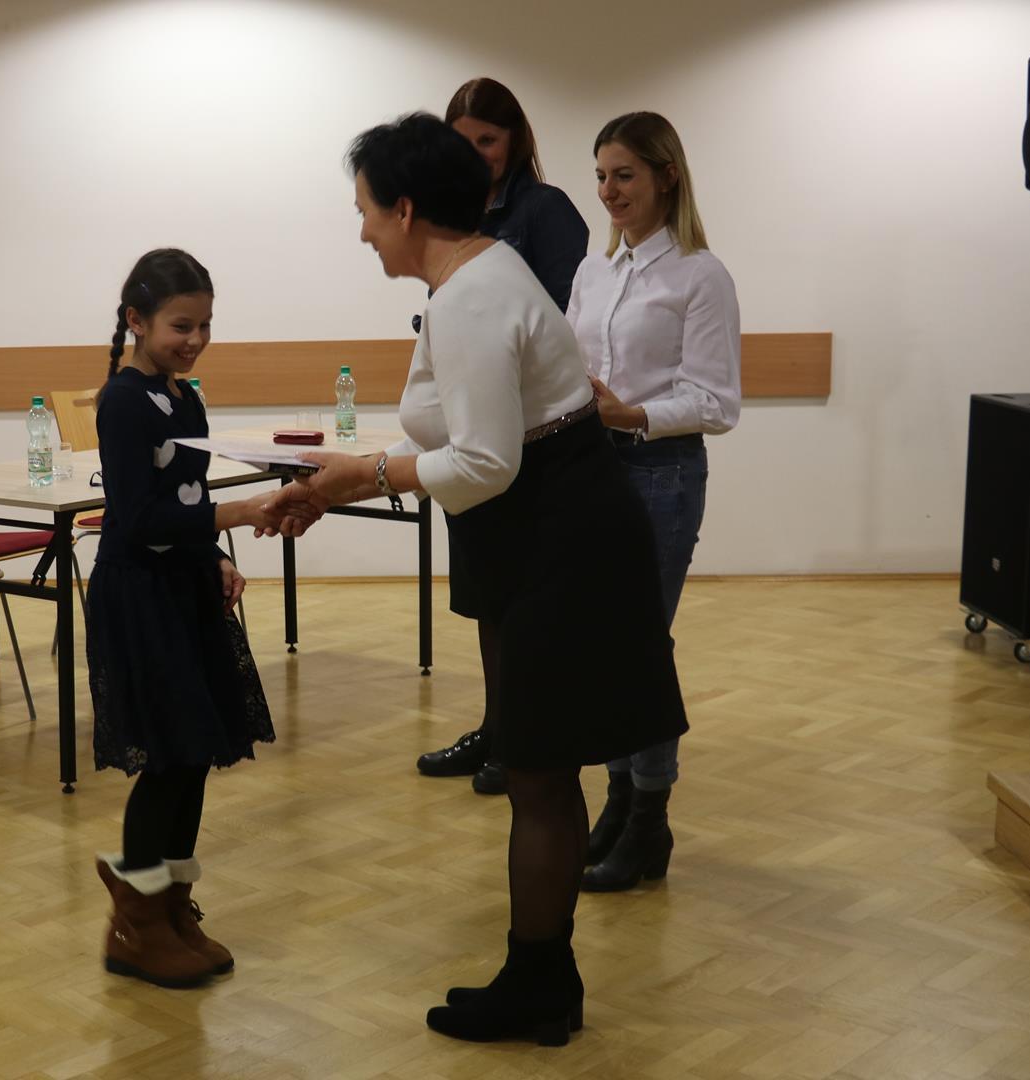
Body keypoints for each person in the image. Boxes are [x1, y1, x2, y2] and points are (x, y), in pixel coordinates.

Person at [268, 114, 687, 1045]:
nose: (362, 231)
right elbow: (458, 432)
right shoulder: (474, 276)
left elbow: (485, 463)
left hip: (558, 540)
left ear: (406, 208)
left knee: (537, 773)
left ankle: (538, 984)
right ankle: (547, 980)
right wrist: (345, 480)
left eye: (366, 211)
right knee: (542, 768)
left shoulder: (470, 296)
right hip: (551, 530)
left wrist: (363, 475)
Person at [88, 248, 309, 989]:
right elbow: (137, 517)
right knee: (167, 756)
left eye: (206, 325)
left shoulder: (183, 399)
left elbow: (185, 497)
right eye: (181, 326)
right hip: (139, 597)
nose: (196, 339)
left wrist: (213, 555)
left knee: (194, 754)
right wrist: (240, 513)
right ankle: (135, 924)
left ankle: (171, 909)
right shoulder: (122, 403)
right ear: (136, 321)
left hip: (182, 586)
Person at [565, 113, 741, 893]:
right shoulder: (594, 271)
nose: (609, 191)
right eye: (601, 176)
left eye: (624, 175)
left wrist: (630, 413)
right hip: (592, 473)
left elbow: (717, 401)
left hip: (660, 472)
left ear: (667, 176)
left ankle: (649, 819)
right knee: (603, 648)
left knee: (639, 647)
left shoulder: (701, 276)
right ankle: (618, 802)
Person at [417, 77, 591, 796]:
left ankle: (525, 738)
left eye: (487, 140)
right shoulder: (454, 216)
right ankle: (498, 727)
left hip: (532, 439)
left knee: (524, 605)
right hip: (473, 427)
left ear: (515, 140)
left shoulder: (544, 211)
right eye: (461, 143)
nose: (475, 155)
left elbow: (563, 319)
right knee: (487, 597)